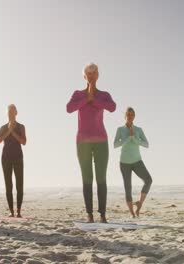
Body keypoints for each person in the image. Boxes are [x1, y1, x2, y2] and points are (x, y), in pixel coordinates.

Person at [66, 63, 116, 223]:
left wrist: (93, 100)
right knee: (87, 178)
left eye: (94, 73)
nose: (91, 76)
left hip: (101, 140)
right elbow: (69, 108)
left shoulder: (104, 94)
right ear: (84, 76)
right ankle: (89, 214)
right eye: (89, 73)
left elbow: (112, 107)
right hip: (82, 142)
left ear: (98, 75)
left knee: (101, 178)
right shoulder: (78, 94)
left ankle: (102, 214)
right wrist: (85, 99)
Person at [114, 107, 152, 218]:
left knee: (148, 180)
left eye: (132, 114)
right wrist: (127, 138)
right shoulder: (120, 129)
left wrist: (134, 139)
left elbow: (146, 144)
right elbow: (115, 145)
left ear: (134, 116)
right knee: (128, 187)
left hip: (137, 161)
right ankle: (132, 213)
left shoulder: (138, 130)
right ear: (125, 116)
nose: (130, 116)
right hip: (124, 162)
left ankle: (139, 204)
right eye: (128, 114)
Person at [0, 104, 27, 218]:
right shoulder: (3, 127)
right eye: (9, 112)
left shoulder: (21, 126)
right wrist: (8, 131)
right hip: (6, 158)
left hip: (18, 157)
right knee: (8, 185)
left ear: (16, 113)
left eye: (13, 112)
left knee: (19, 185)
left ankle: (18, 211)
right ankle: (11, 211)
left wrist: (13, 132)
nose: (11, 114)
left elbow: (24, 141)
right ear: (7, 114)